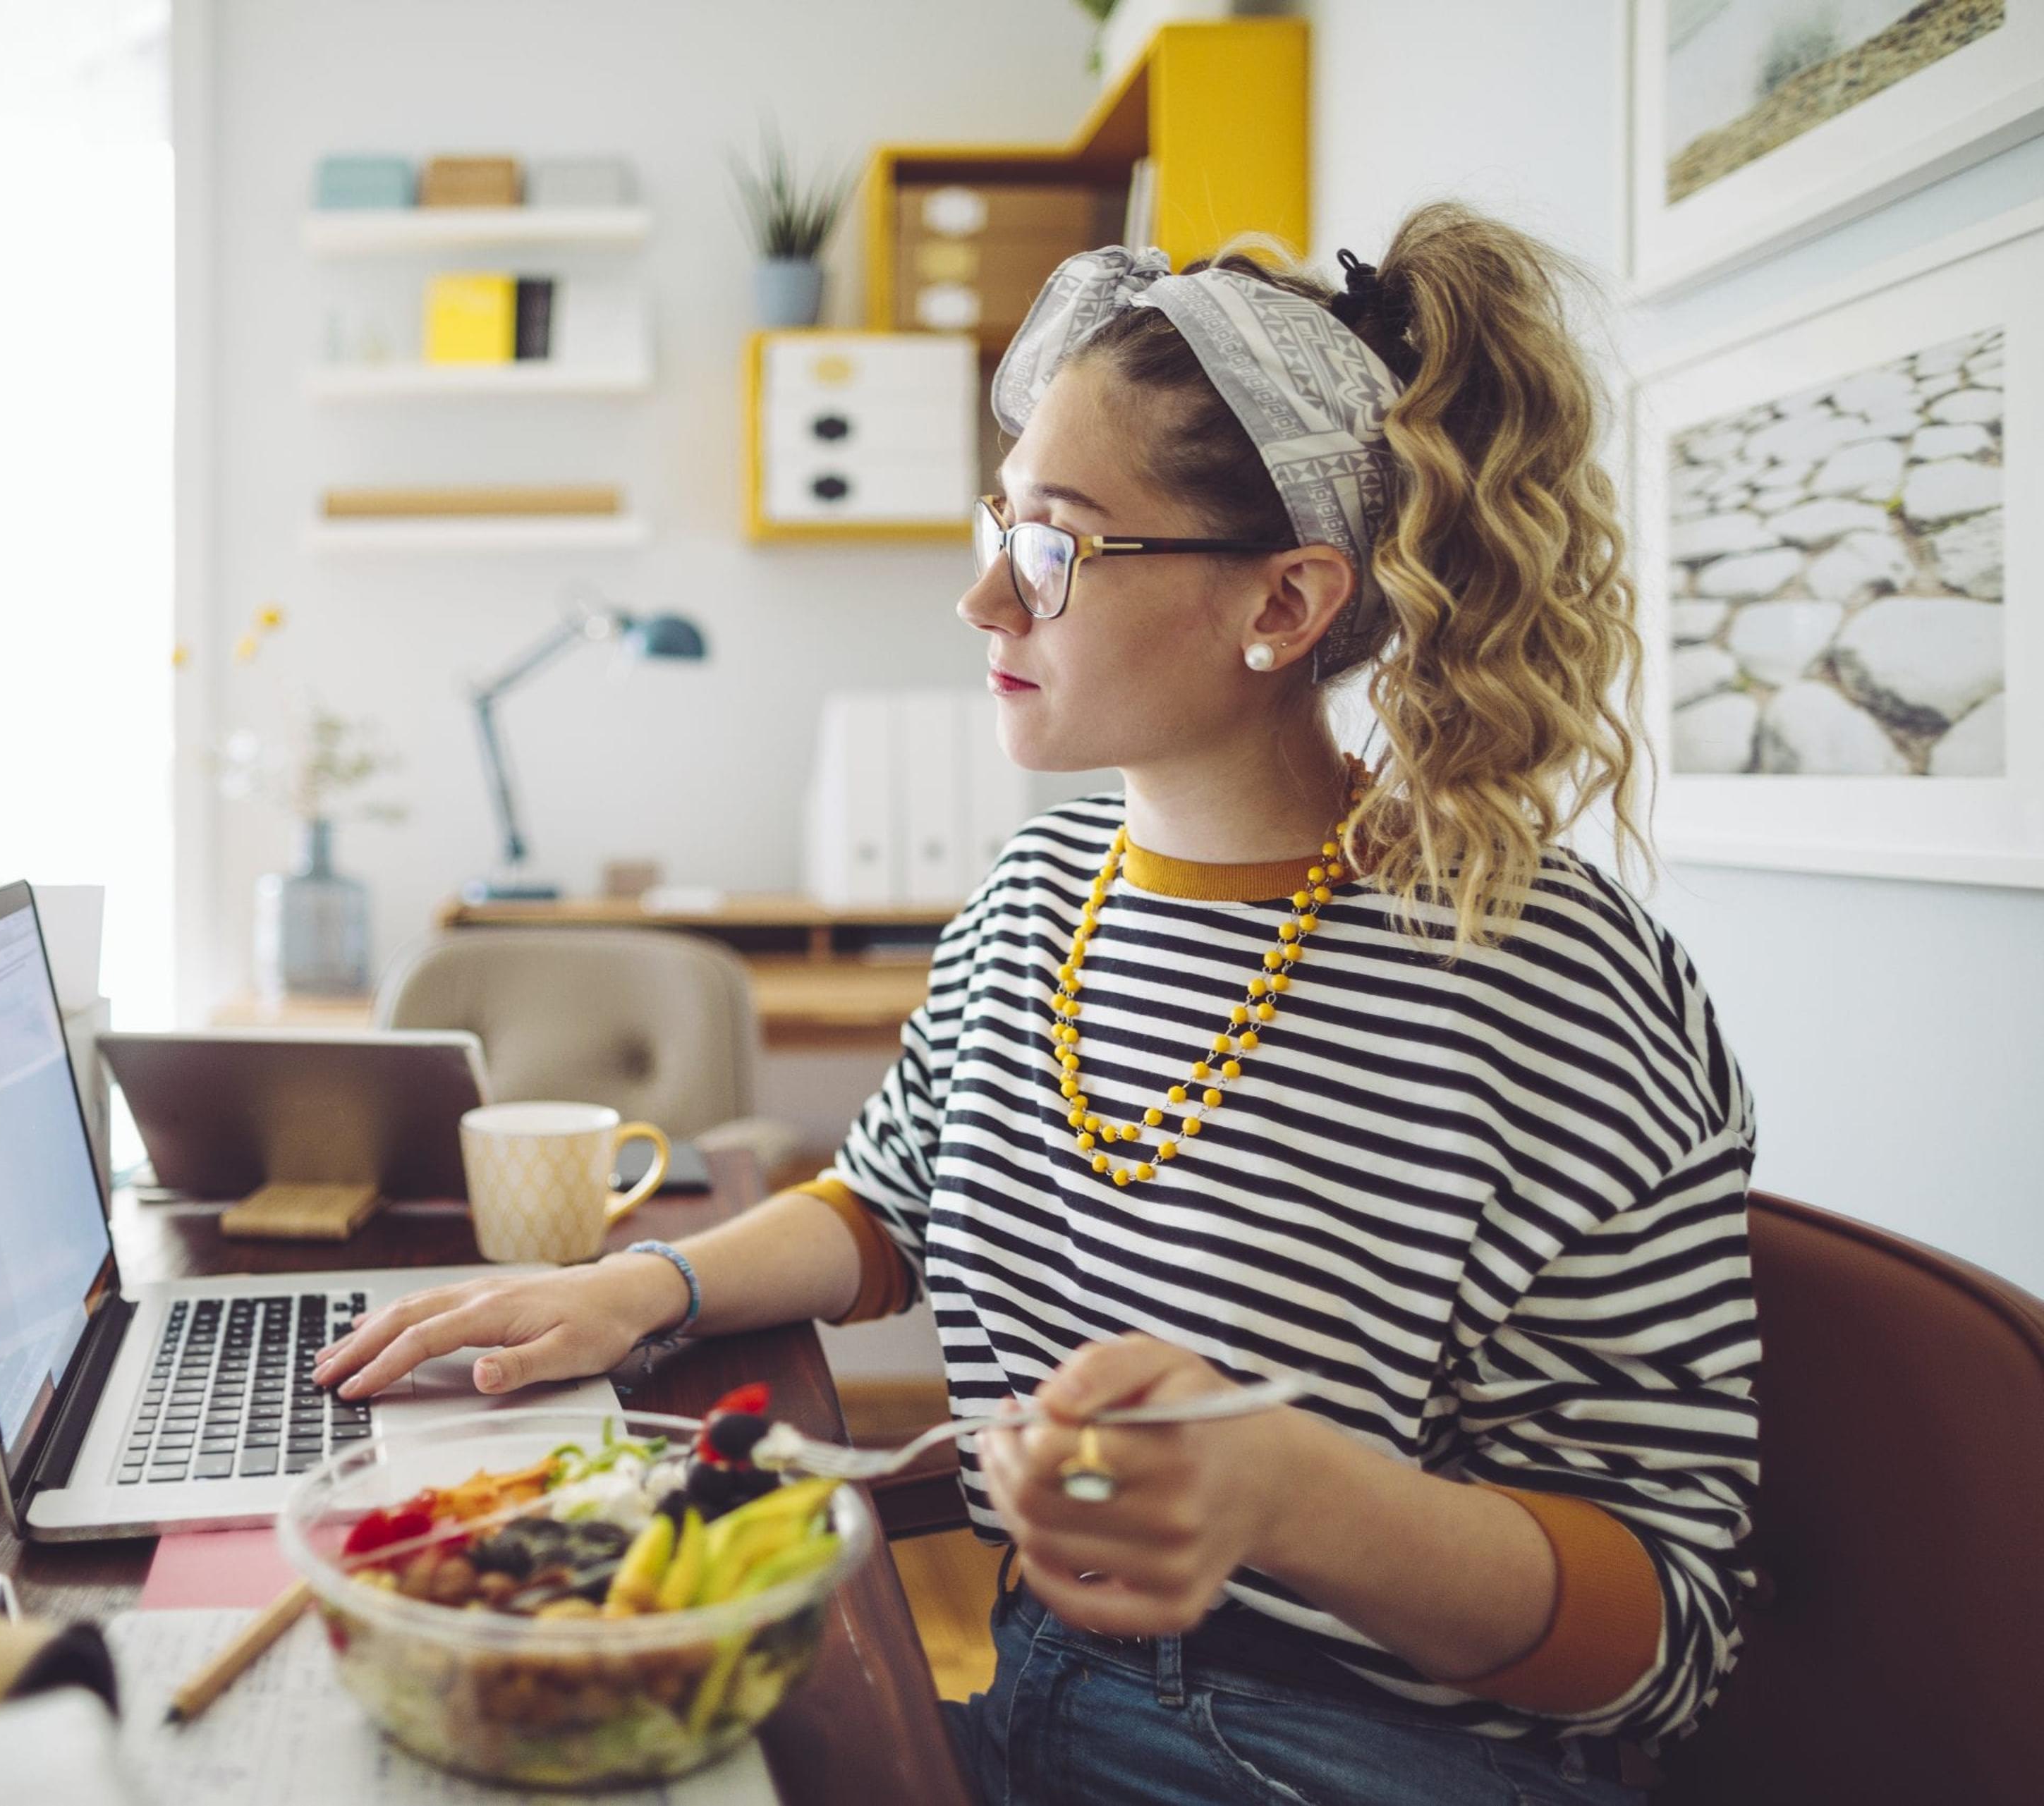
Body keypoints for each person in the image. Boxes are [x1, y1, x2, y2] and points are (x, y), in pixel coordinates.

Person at [315, 201, 1757, 1806]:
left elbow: (1667, 1639)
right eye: (997, 525)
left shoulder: (1545, 976)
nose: (986, 600)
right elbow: (893, 1197)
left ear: (1282, 606)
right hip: (1040, 1700)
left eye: (1055, 545)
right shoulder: (1040, 891)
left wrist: (1291, 1497)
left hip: (1366, 1756)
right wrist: (641, 1288)